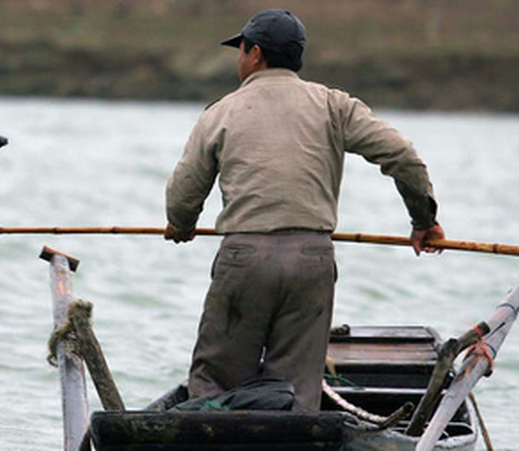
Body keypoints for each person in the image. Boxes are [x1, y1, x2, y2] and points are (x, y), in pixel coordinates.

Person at [164, 9, 445, 412]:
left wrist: (181, 224)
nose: (238, 58)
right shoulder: (334, 106)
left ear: (255, 54)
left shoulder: (221, 112)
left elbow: (183, 195)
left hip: (245, 260)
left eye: (240, 50)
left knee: (215, 384)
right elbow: (403, 156)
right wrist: (424, 221)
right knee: (295, 394)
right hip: (312, 260)